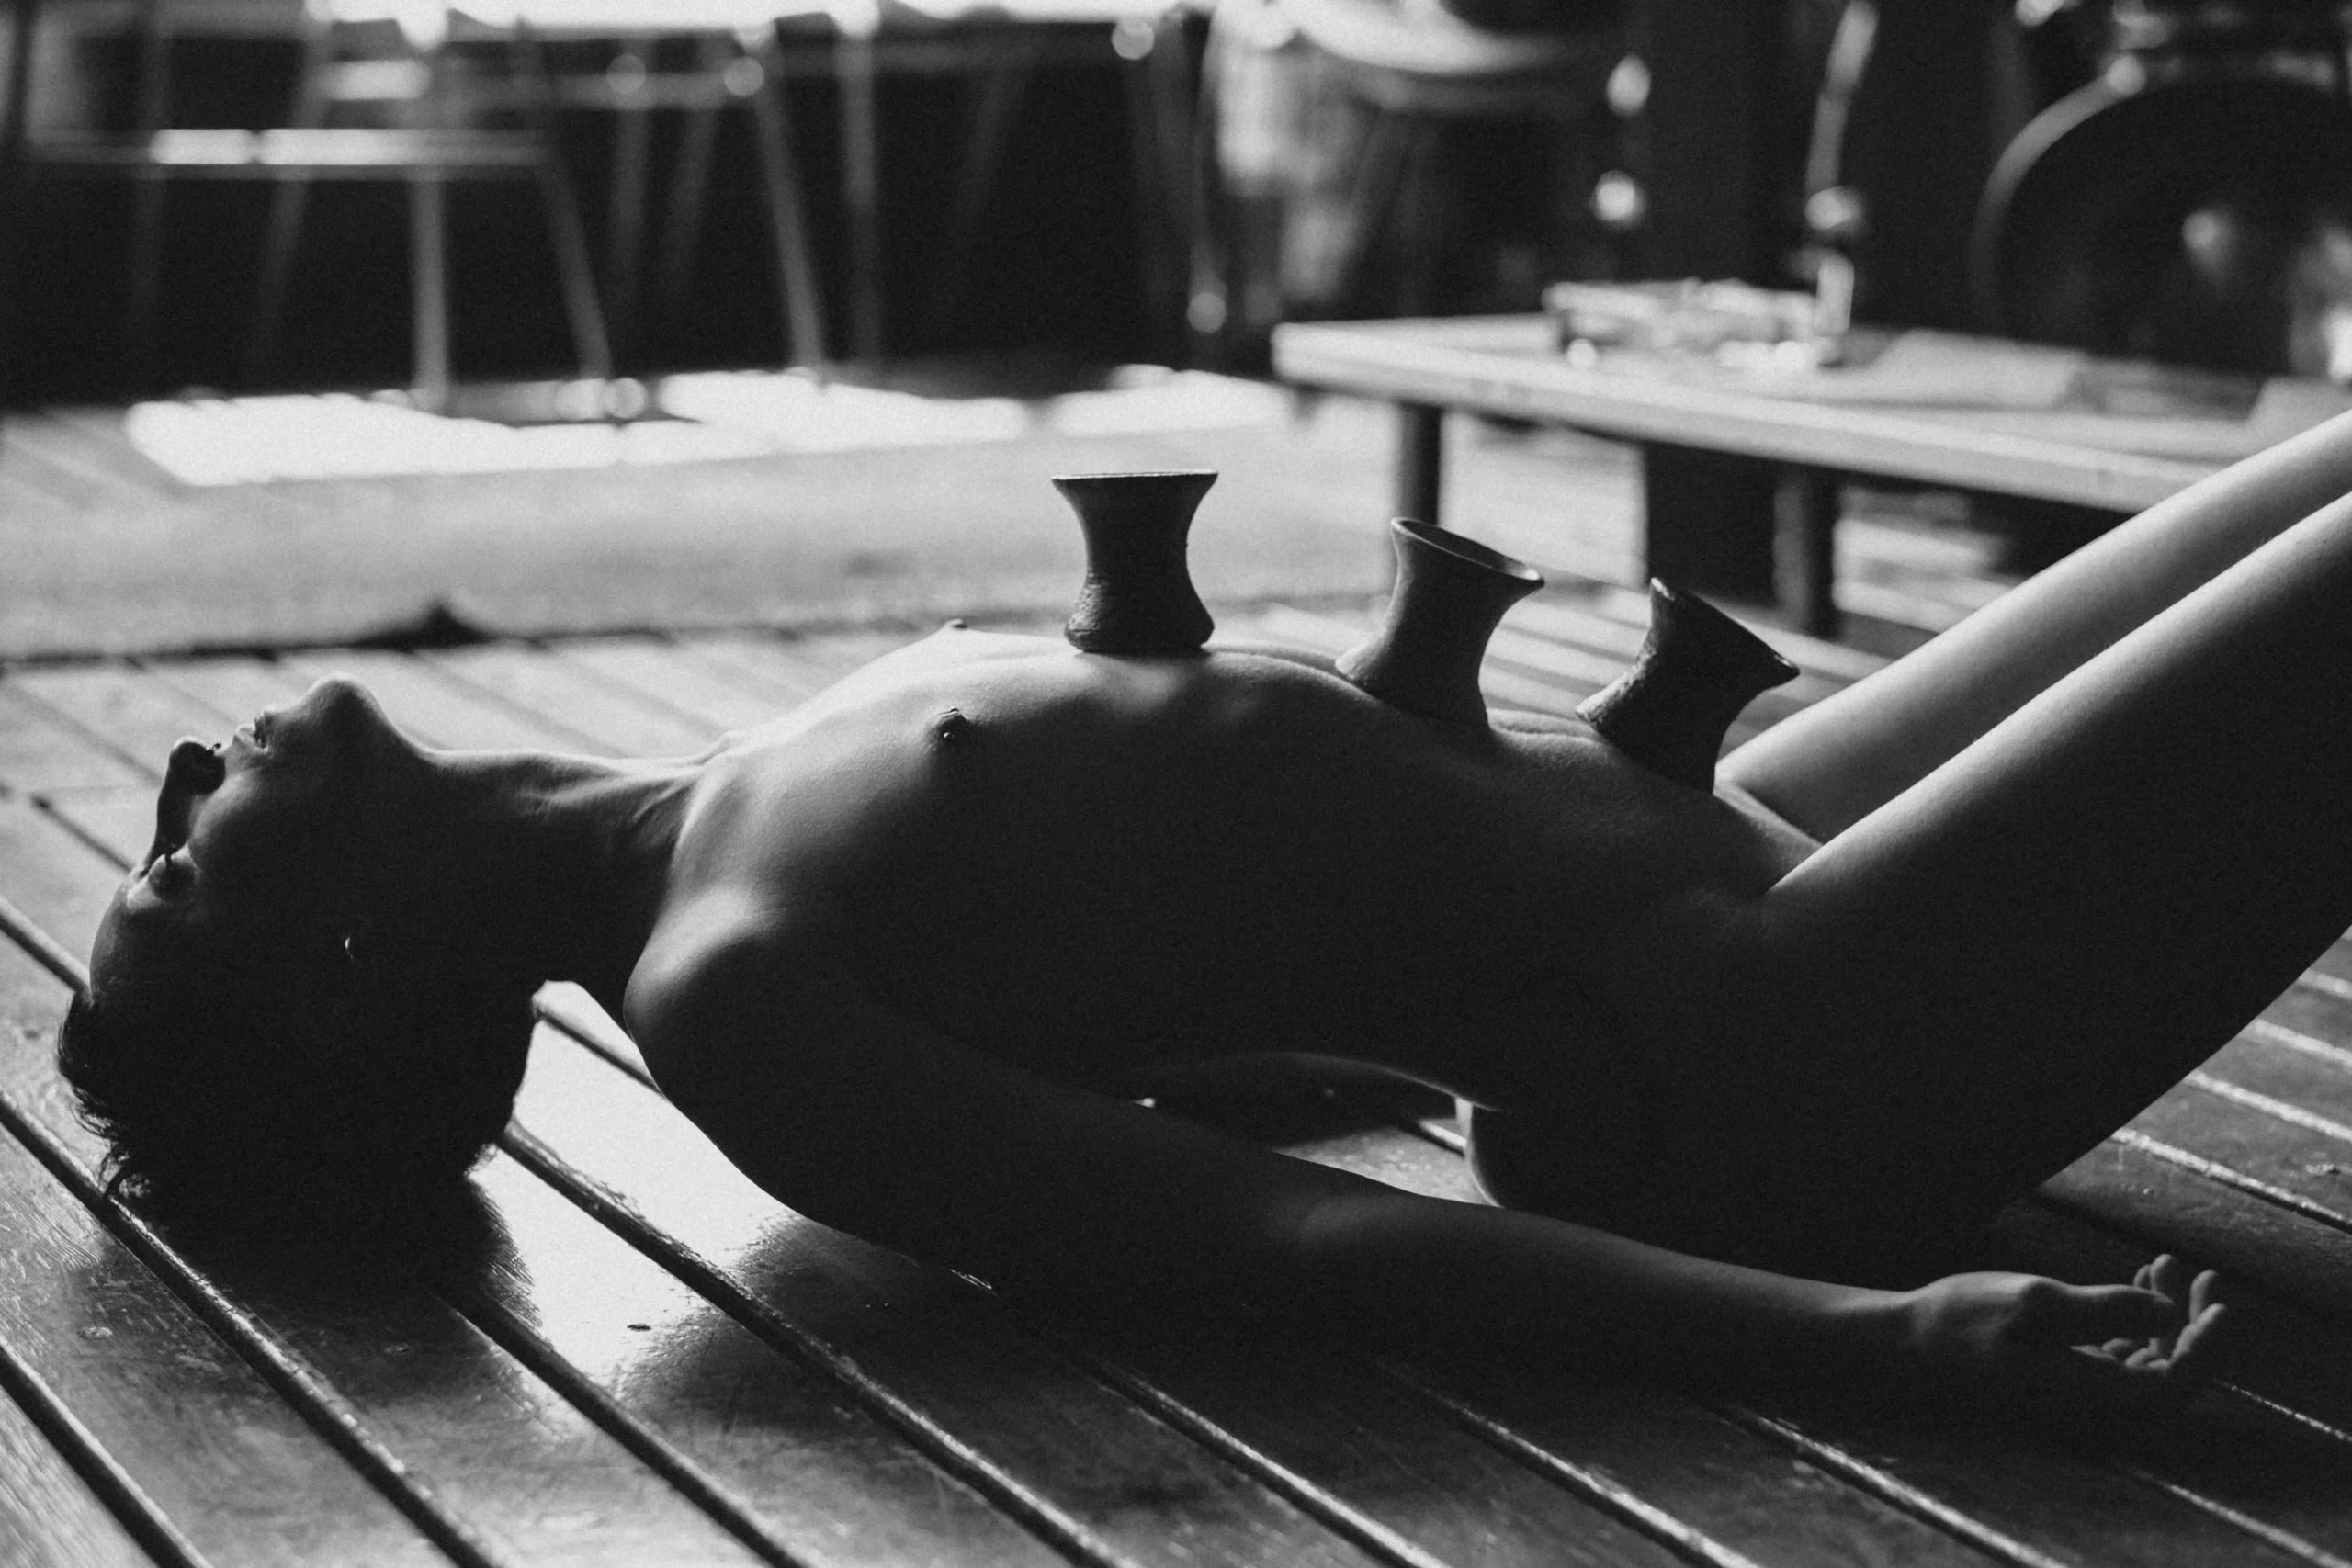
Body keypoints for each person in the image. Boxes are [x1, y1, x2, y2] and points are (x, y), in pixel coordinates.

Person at [76, 405, 2352, 1412]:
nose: (183, 778)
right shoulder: (734, 995)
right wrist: (1887, 1342)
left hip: (1711, 829)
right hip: (1750, 1051)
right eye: (178, 866)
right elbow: (1278, 1244)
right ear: (345, 979)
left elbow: (1184, 1021)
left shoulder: (715, 809)